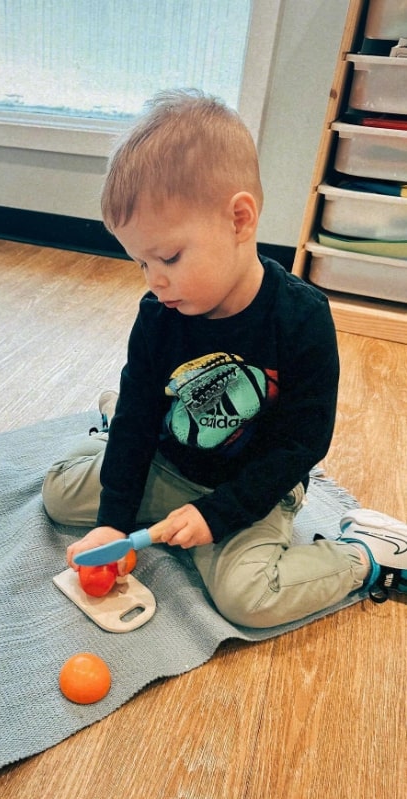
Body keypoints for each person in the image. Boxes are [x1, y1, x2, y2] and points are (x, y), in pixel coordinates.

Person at [42, 89, 407, 627]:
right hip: (172, 461)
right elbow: (141, 418)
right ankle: (110, 418)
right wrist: (113, 525)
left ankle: (370, 556)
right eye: (141, 263)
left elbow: (301, 445)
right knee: (61, 491)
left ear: (239, 220)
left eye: (167, 257)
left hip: (253, 485)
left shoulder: (301, 319)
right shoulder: (158, 313)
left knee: (247, 598)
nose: (154, 281)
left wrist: (218, 515)